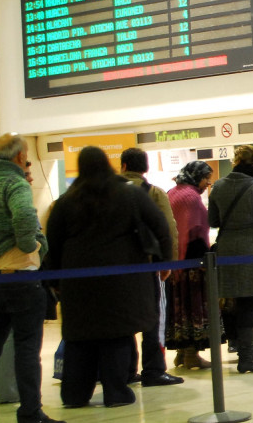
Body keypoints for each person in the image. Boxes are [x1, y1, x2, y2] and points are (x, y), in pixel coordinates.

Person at [46, 146, 172, 409]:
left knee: (79, 339)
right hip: (122, 281)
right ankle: (116, 392)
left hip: (77, 282)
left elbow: (54, 242)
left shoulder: (67, 200)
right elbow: (159, 224)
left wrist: (55, 280)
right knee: (116, 335)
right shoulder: (128, 194)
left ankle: (74, 394)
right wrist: (164, 262)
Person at [0, 133, 63, 423]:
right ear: (20, 157)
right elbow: (23, 219)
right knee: (26, 347)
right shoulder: (16, 183)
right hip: (20, 277)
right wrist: (35, 245)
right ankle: (30, 412)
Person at [208, 145, 253, 373]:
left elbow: (213, 221)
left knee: (237, 303)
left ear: (234, 162)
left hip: (228, 249)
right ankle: (247, 358)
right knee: (249, 304)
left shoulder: (217, 187)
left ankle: (251, 352)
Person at [119, 148, 184, 388]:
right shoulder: (154, 193)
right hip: (149, 267)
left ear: (123, 166)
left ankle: (126, 369)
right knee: (154, 318)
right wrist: (168, 262)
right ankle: (154, 369)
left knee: (123, 318)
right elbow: (168, 230)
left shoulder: (109, 193)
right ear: (145, 168)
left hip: (118, 269)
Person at [165, 161, 215, 370]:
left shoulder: (172, 192)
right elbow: (193, 232)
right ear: (197, 176)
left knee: (179, 310)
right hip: (191, 264)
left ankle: (181, 353)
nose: (207, 184)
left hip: (174, 264)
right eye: (206, 179)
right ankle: (192, 355)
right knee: (193, 308)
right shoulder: (192, 197)